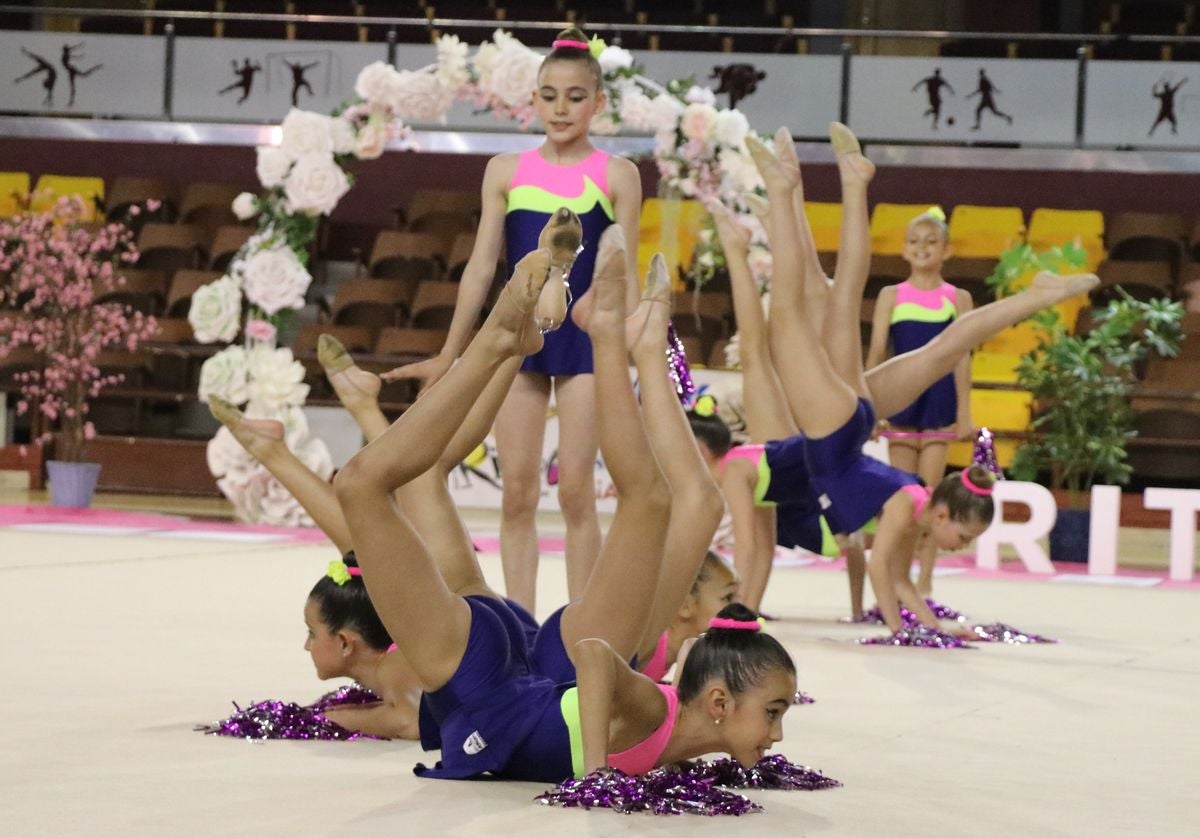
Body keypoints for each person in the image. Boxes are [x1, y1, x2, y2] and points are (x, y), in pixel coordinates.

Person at [713, 123, 1097, 634]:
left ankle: (847, 185)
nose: (956, 544)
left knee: (854, 303)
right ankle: (795, 192)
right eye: (962, 539)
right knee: (814, 310)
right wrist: (910, 627)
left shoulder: (913, 498)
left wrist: (921, 627)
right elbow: (886, 571)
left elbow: (886, 572)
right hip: (840, 429)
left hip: (850, 424)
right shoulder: (910, 503)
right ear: (944, 516)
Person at [382, 26, 643, 613]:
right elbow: (480, 267)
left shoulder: (617, 174)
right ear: (533, 100)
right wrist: (451, 353)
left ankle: (585, 629)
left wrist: (614, 333)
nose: (561, 108)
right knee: (518, 493)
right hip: (516, 336)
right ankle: (521, 625)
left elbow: (619, 269)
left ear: (598, 102)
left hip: (582, 343)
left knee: (577, 492)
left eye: (575, 96)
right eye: (549, 95)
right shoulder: (506, 170)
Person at [866, 208, 973, 598]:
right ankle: (897, 581)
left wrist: (964, 411)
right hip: (901, 402)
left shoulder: (957, 298)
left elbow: (962, 356)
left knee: (931, 502)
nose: (922, 248)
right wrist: (871, 404)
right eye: (915, 242)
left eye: (931, 242)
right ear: (904, 250)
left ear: (946, 250)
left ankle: (924, 583)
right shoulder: (891, 295)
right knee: (903, 503)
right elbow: (878, 349)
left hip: (939, 405)